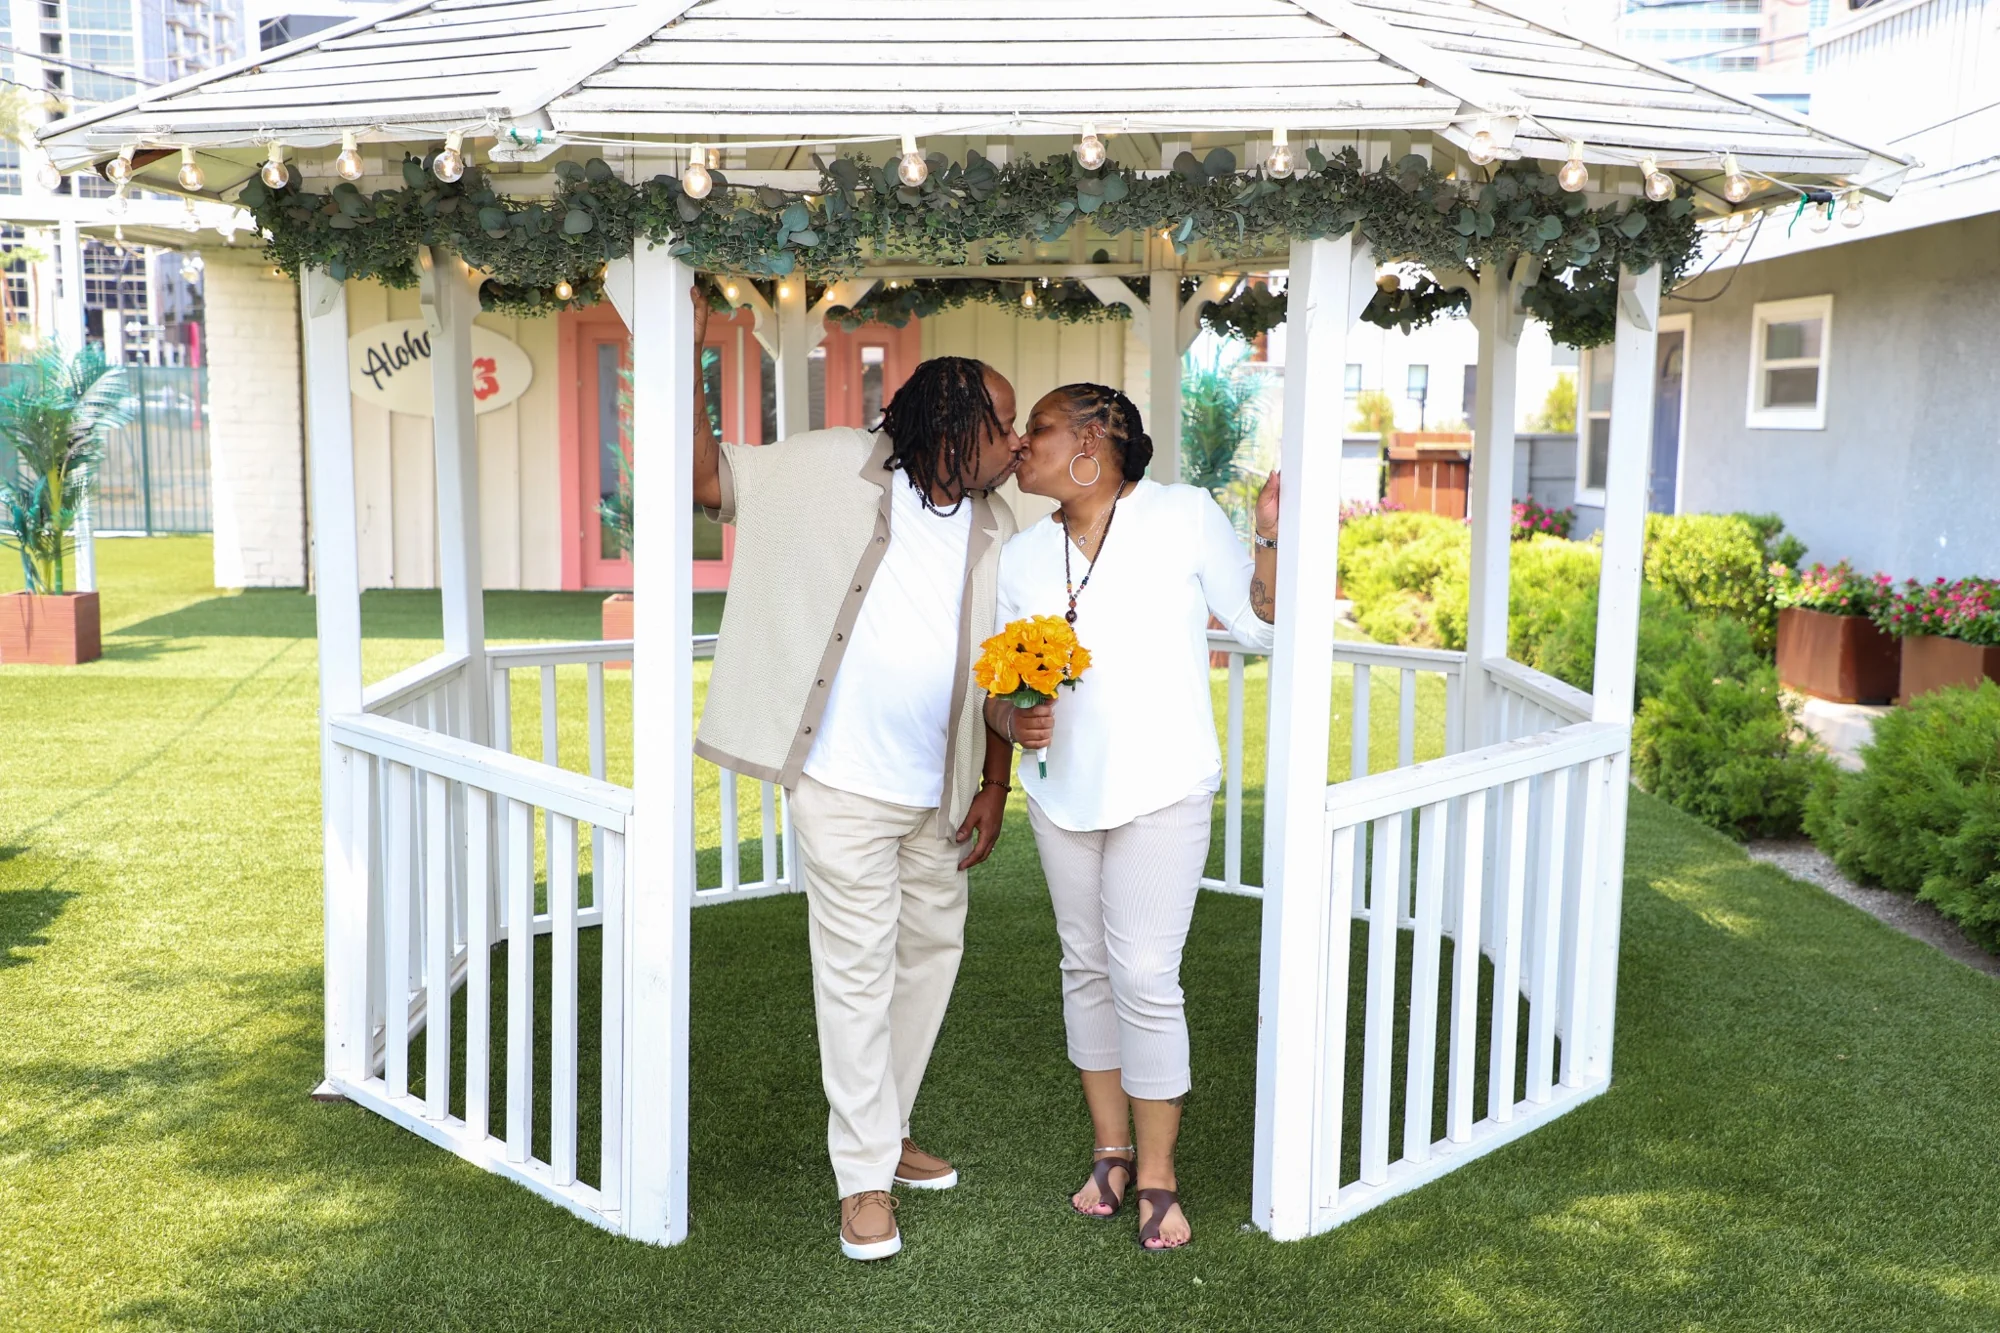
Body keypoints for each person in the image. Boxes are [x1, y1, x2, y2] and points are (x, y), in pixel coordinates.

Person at [689, 291, 1024, 1261]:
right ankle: (862, 1180)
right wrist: (690, 361)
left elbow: (1007, 663)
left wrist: (993, 781)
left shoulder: (1000, 523)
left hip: (938, 790)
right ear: (951, 427)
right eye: (999, 423)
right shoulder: (828, 463)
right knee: (853, 974)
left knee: (929, 956)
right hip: (837, 783)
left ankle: (887, 1127)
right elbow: (711, 480)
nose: (1010, 442)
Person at [988, 383, 1278, 1252]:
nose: (1017, 443)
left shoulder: (1184, 514)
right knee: (1085, 967)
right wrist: (1015, 717)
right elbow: (1001, 691)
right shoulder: (1021, 556)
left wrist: (1269, 533)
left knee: (1145, 974)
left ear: (1093, 441)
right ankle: (1109, 1149)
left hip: (1163, 786)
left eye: (1034, 429)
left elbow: (1263, 625)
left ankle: (1157, 1173)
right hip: (1060, 791)